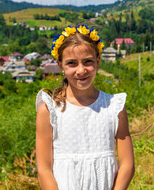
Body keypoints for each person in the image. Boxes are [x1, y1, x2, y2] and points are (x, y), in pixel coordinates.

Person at [36, 25, 135, 190]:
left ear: (97, 61)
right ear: (60, 65)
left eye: (87, 61)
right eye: (72, 63)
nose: (81, 70)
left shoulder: (114, 108)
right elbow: (44, 169)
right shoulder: (49, 111)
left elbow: (127, 165)